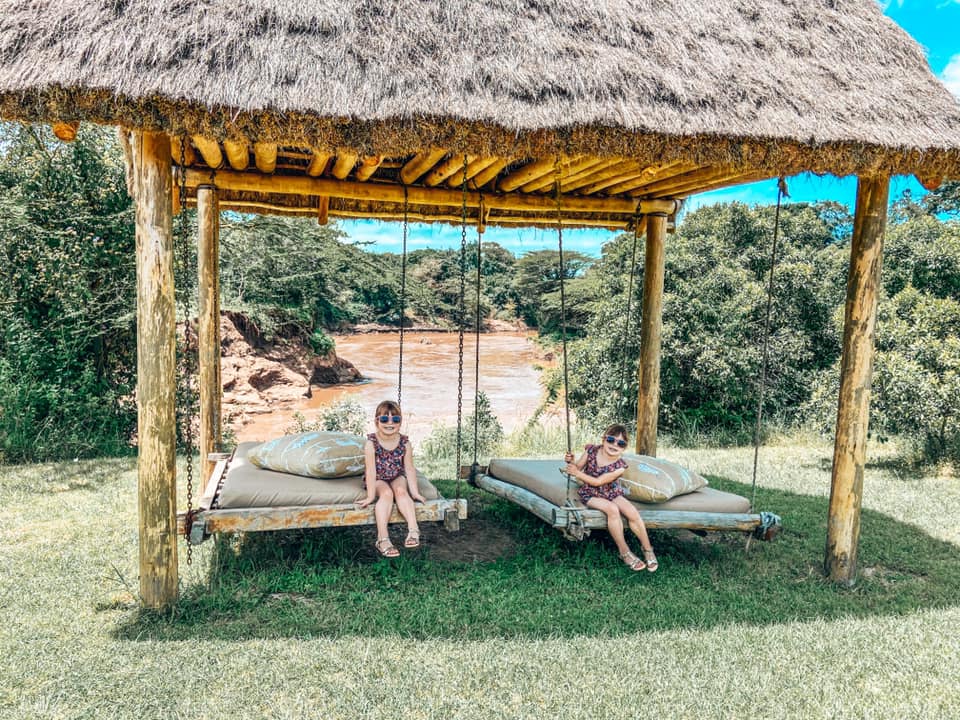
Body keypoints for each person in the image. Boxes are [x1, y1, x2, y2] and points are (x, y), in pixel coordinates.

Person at [564, 424, 659, 572]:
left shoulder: (620, 466)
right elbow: (577, 468)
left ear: (624, 447)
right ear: (603, 440)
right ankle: (624, 551)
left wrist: (577, 473)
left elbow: (599, 481)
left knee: (632, 512)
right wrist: (571, 463)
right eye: (611, 440)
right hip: (590, 492)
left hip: (610, 491)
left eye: (621, 443)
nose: (615, 445)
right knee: (612, 509)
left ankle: (648, 549)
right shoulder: (591, 451)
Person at [357, 400, 426, 557]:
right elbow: (371, 471)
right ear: (377, 421)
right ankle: (382, 538)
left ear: (400, 422)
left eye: (395, 419)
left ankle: (414, 529)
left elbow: (409, 468)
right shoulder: (371, 443)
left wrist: (415, 492)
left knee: (401, 491)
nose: (390, 423)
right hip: (378, 478)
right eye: (384, 419)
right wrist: (369, 496)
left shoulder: (404, 443)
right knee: (387, 494)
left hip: (396, 475)